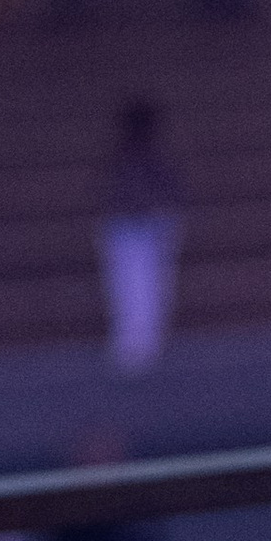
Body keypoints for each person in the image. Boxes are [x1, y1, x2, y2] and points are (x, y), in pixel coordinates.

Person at [99, 98, 186, 375]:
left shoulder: (150, 160)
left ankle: (144, 342)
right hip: (127, 228)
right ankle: (134, 342)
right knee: (131, 286)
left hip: (147, 228)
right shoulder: (125, 159)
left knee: (147, 286)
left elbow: (171, 194)